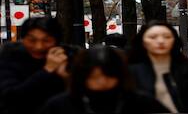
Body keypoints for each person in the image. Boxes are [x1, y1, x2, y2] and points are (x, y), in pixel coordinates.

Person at [40, 44, 168, 114]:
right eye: (94, 77)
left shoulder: (142, 103)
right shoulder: (60, 105)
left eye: (108, 76)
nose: (102, 82)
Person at [129, 21, 188, 113]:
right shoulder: (130, 72)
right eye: (153, 37)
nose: (160, 41)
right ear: (142, 41)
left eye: (167, 37)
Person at [0, 17, 67, 114]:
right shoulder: (10, 58)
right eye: (32, 40)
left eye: (46, 40)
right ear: (23, 39)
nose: (38, 46)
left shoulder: (67, 57)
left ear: (56, 41)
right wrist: (47, 70)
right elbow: (10, 98)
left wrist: (67, 78)